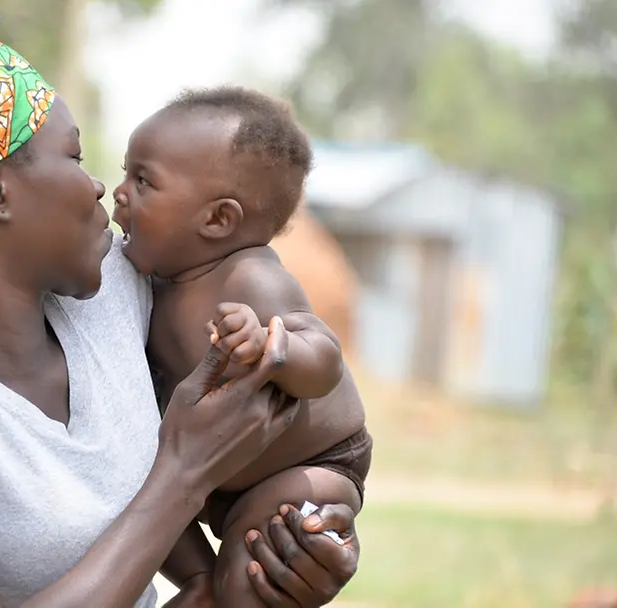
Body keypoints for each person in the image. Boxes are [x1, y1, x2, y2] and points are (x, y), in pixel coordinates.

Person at [0, 2, 361, 606]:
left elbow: (305, 403)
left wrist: (292, 551)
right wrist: (183, 472)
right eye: (73, 156)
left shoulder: (124, 288)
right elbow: (183, 469)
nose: (100, 186)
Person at [112, 87, 372, 606]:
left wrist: (270, 346)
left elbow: (323, 360)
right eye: (125, 173)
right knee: (130, 502)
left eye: (143, 181)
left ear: (217, 220)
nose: (118, 192)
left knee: (247, 581)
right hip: (206, 477)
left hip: (309, 468)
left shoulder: (250, 279)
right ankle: (198, 580)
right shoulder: (146, 282)